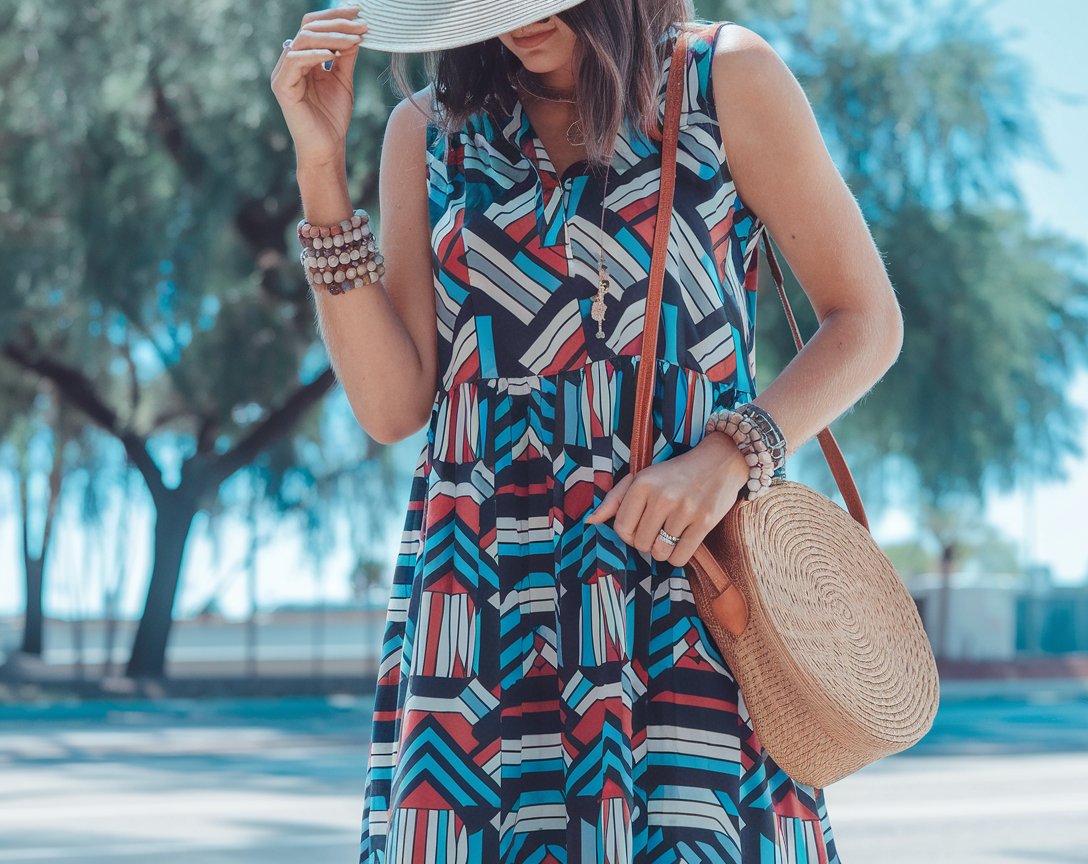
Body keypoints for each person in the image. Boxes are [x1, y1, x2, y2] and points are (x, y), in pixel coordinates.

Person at [271, 1, 902, 861]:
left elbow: (865, 319)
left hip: (681, 578)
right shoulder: (427, 131)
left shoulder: (724, 80)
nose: (512, 18)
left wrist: (730, 454)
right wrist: (319, 167)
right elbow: (392, 407)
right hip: (483, 594)